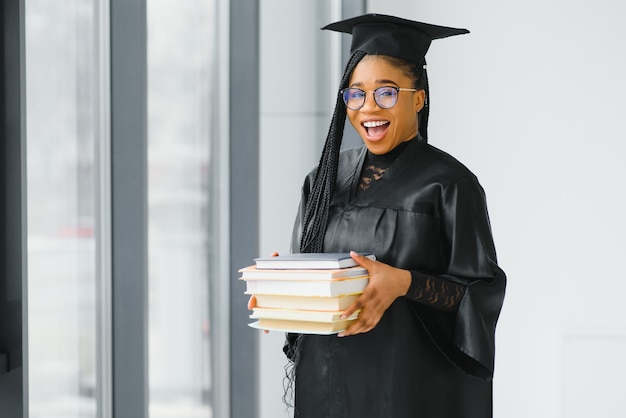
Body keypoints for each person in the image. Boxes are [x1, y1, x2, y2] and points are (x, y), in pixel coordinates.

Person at [255, 13, 507, 417]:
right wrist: (284, 294)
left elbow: (479, 295)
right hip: (327, 385)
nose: (368, 107)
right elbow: (312, 275)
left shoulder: (449, 184)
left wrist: (403, 283)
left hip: (409, 389)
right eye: (355, 94)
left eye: (386, 93)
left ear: (418, 97)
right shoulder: (322, 181)